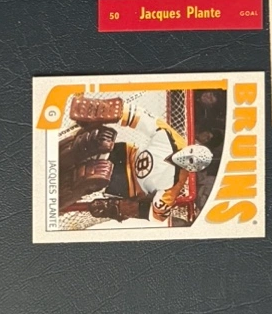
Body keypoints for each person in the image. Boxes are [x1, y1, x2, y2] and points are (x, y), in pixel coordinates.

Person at [58, 94, 212, 225]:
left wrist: (123, 208)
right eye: (191, 151)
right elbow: (143, 119)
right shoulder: (173, 139)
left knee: (94, 175)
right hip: (125, 154)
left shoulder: (174, 185)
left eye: (191, 161)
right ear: (192, 145)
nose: (186, 156)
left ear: (192, 169)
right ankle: (61, 155)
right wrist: (108, 109)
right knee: (101, 139)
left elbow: (157, 216)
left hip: (128, 183)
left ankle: (59, 193)